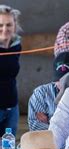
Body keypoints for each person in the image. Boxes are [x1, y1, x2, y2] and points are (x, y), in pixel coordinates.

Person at [28, 52, 69, 131]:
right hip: (48, 142)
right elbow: (35, 126)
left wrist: (51, 124)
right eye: (58, 80)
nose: (61, 83)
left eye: (66, 80)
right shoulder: (41, 93)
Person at [0, 5, 21, 137]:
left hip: (12, 107)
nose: (4, 29)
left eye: (9, 25)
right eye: (0, 25)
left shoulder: (16, 45)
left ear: (15, 25)